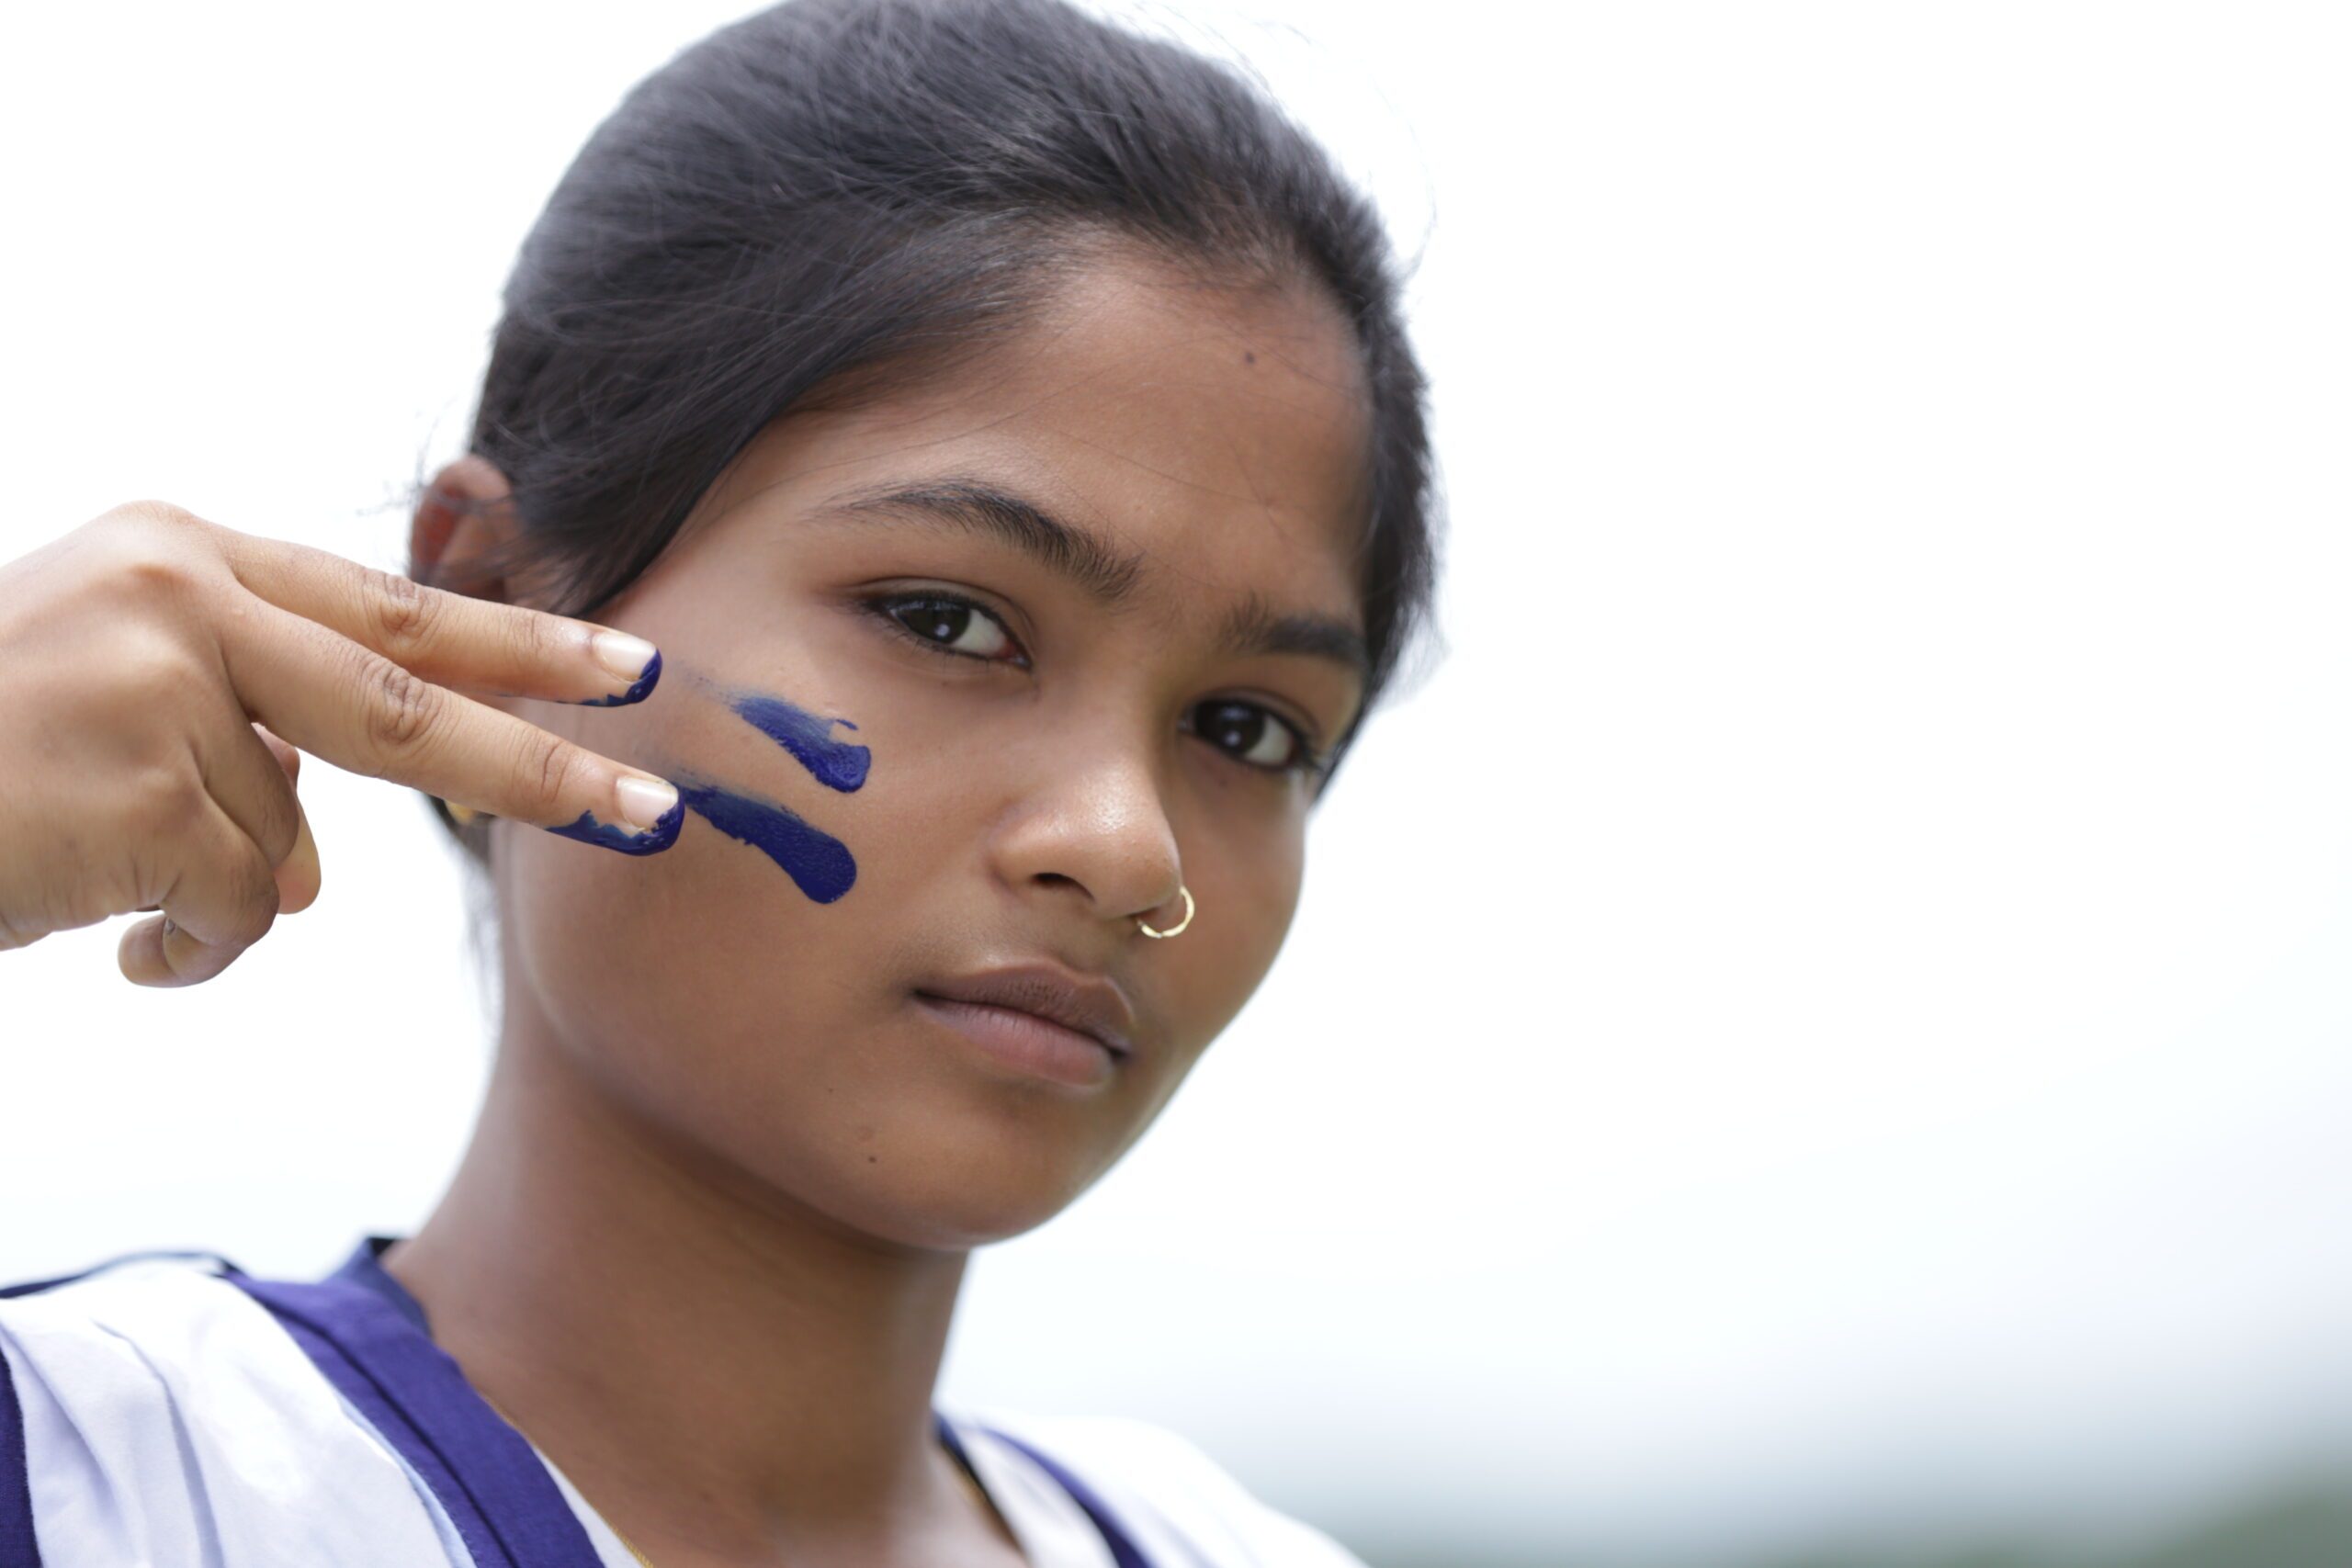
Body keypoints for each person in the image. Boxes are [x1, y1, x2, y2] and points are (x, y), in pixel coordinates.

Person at [0, 0, 1441, 1561]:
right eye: (947, 621)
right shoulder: (94, 1484)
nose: (1126, 843)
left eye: (1249, 731)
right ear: (494, 608)